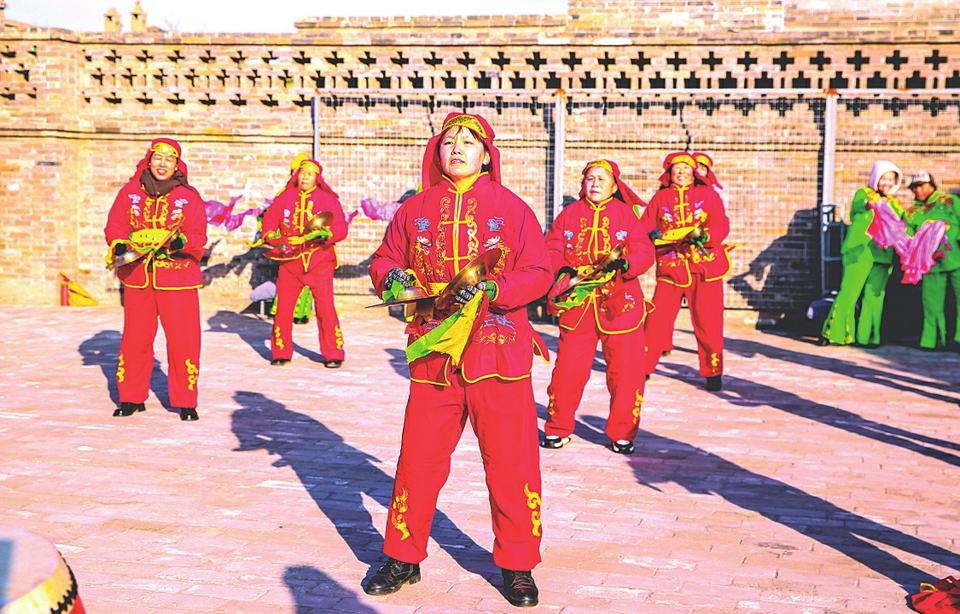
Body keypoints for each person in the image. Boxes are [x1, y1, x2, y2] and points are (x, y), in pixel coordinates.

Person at [367, 112, 552, 608]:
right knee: (418, 460)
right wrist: (394, 279)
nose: (457, 148)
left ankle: (518, 564)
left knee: (511, 463)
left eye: (469, 141)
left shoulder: (511, 209)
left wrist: (496, 288)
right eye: (449, 140)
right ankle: (402, 556)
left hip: (498, 351)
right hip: (434, 353)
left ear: (487, 155)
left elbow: (539, 270)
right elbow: (385, 258)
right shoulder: (415, 209)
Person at [541, 159, 654, 455]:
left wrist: (626, 264)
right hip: (578, 304)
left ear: (615, 186)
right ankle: (557, 427)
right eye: (590, 178)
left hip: (620, 305)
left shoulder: (627, 216)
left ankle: (623, 433)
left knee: (625, 372)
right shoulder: (568, 214)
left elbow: (644, 251)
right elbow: (551, 247)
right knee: (567, 371)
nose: (595, 183)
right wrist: (563, 270)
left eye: (602, 179)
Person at [104, 138, 208, 421]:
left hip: (178, 278)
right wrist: (119, 243)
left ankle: (186, 401)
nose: (163, 163)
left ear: (177, 165)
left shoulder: (189, 197)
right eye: (158, 158)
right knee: (135, 339)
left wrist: (181, 242)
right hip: (138, 276)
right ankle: (131, 397)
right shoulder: (129, 193)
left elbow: (198, 234)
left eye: (169, 159)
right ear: (148, 161)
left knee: (183, 341)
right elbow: (115, 225)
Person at [641, 151, 732, 391]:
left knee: (709, 324)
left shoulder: (708, 195)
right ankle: (643, 367)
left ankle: (713, 371)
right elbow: (645, 225)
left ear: (693, 172)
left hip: (704, 267)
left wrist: (706, 236)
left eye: (686, 168)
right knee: (656, 320)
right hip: (671, 267)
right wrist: (651, 235)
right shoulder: (659, 198)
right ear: (669, 173)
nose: (681, 172)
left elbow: (721, 224)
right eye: (676, 168)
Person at [260, 158, 348, 367]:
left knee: (325, 308)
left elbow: (341, 226)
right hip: (290, 261)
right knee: (283, 308)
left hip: (320, 260)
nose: (305, 177)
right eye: (302, 172)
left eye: (310, 173)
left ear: (317, 177)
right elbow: (269, 221)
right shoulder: (284, 198)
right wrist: (272, 236)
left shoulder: (328, 200)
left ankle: (333, 353)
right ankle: (280, 351)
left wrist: (328, 234)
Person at [821, 161, 903, 347]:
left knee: (875, 297)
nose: (887, 183)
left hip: (882, 256)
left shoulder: (896, 204)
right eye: (883, 178)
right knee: (849, 292)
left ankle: (868, 338)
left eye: (891, 179)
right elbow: (860, 205)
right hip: (860, 252)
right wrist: (871, 204)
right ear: (876, 178)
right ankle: (836, 334)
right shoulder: (864, 194)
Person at [905, 170, 960, 350]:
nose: (918, 190)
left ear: (932, 185)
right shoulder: (912, 212)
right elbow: (907, 237)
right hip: (930, 265)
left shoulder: (950, 201)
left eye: (922, 185)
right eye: (914, 187)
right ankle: (933, 340)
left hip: (956, 259)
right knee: (931, 304)